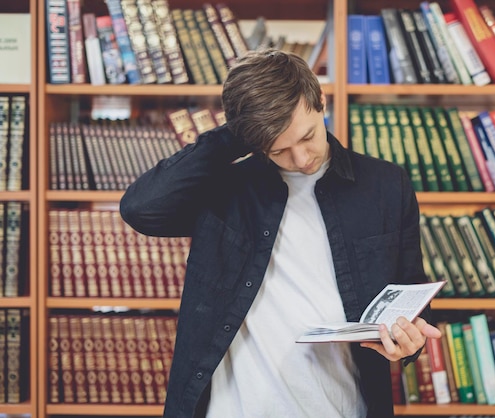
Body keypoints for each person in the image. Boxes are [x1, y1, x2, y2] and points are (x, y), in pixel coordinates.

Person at [120, 49, 441, 418]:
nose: (302, 158)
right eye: (280, 149)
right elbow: (140, 209)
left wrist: (409, 339)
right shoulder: (227, 190)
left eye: (308, 136)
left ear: (320, 100)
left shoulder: (386, 185)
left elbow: (412, 294)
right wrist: (237, 132)